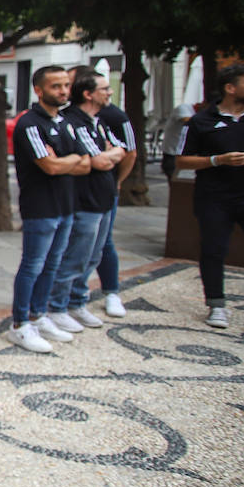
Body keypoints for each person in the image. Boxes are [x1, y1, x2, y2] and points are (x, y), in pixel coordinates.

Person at [175, 62, 244, 329]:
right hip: (215, 198)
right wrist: (217, 160)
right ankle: (216, 304)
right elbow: (182, 161)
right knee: (213, 250)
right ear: (230, 88)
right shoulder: (202, 121)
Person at [8, 66, 91, 352]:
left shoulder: (66, 122)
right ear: (39, 90)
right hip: (40, 207)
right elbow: (50, 166)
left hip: (66, 204)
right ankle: (19, 323)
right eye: (56, 86)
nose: (64, 91)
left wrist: (65, 161)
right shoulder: (30, 124)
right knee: (33, 265)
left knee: (52, 264)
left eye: (66, 85)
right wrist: (69, 161)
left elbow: (87, 161)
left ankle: (38, 314)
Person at [46, 71, 125, 333]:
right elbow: (100, 160)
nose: (109, 92)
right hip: (84, 201)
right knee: (75, 257)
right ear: (89, 94)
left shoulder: (97, 122)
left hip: (104, 199)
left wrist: (106, 155)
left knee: (93, 256)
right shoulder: (72, 122)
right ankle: (58, 306)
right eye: (104, 88)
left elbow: (119, 151)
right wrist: (105, 156)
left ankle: (77, 302)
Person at [95, 79, 138, 317]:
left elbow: (130, 152)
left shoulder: (116, 116)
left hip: (105, 189)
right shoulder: (70, 114)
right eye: (104, 88)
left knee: (104, 242)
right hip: (76, 190)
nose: (110, 92)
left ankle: (111, 291)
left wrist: (117, 182)